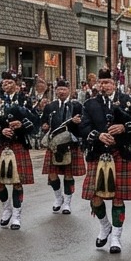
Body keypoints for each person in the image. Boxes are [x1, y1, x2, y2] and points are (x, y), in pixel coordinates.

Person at [80, 68, 131, 253]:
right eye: (101, 82)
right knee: (95, 198)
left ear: (114, 84)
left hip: (120, 153)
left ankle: (116, 237)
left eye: (107, 82)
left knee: (117, 198)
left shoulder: (126, 101)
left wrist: (123, 127)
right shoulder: (89, 104)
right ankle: (105, 226)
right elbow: (83, 126)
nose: (104, 85)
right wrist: (98, 136)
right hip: (98, 153)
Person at [0, 70, 40, 230]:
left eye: (10, 82)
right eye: (4, 82)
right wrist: (0, 130)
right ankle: (6, 208)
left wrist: (22, 125)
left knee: (17, 183)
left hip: (18, 143)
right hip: (2, 144)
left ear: (16, 85)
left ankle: (17, 215)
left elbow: (35, 121)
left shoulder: (25, 100)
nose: (6, 85)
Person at [41, 77, 86, 214]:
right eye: (59, 89)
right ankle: (58, 198)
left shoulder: (77, 106)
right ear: (55, 91)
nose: (61, 91)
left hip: (70, 144)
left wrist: (79, 123)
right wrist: (44, 126)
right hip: (54, 144)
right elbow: (43, 122)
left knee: (68, 175)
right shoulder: (50, 106)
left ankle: (67, 203)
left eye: (64, 89)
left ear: (69, 90)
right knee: (53, 175)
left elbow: (83, 125)